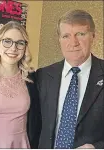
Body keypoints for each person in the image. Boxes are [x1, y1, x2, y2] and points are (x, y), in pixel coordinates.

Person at [36, 9, 104, 149]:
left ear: (93, 36)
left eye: (80, 34)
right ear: (59, 39)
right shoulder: (43, 75)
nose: (73, 43)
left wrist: (98, 147)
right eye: (66, 36)